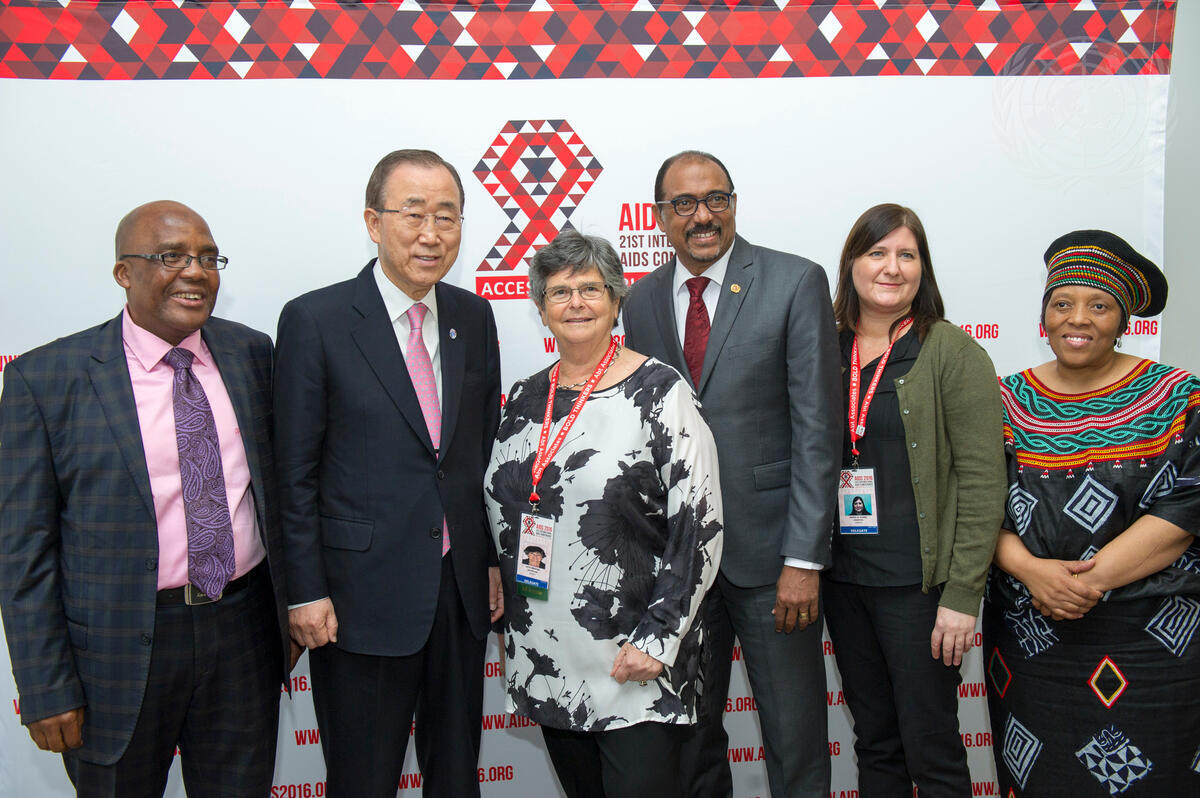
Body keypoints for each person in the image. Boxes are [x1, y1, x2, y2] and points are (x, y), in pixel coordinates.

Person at [0, 201, 291, 796]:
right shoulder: (46, 379)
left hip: (243, 632)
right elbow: (23, 551)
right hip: (114, 650)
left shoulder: (253, 354)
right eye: (171, 257)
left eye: (208, 258)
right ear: (123, 273)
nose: (195, 271)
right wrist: (45, 684)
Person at [274, 149, 503, 797]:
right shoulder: (316, 320)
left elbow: (479, 455)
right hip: (358, 600)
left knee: (456, 776)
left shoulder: (473, 317)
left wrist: (489, 560)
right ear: (374, 222)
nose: (431, 234)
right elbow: (294, 471)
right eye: (413, 214)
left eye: (447, 217)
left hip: (458, 595)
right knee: (363, 780)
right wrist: (304, 591)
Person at [622, 150, 841, 797]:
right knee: (690, 742)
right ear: (660, 216)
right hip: (679, 566)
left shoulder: (794, 281)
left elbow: (818, 431)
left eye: (716, 199)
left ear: (734, 204)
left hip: (772, 561)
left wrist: (803, 559)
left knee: (795, 740)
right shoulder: (642, 300)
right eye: (685, 203)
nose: (703, 216)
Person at [485, 229, 723, 798]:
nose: (576, 303)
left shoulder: (660, 392)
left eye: (591, 289)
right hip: (548, 654)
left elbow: (700, 527)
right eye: (560, 291)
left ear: (617, 302)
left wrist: (658, 638)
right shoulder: (523, 399)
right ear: (541, 307)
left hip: (633, 657)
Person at [984, 230, 1200, 793]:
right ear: (1043, 315)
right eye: (1062, 303)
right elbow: (975, 507)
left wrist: (1084, 583)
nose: (1077, 319)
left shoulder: (1181, 396)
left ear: (1124, 319)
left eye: (1099, 305)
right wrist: (1034, 573)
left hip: (1152, 642)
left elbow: (1186, 509)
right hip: (1034, 641)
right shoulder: (1002, 401)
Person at [824, 203, 1006, 796]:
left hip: (919, 592)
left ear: (922, 268)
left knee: (931, 748)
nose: (892, 267)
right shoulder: (825, 346)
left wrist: (962, 595)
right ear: (852, 263)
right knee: (875, 744)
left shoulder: (949, 350)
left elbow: (983, 482)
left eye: (907, 254)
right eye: (877, 252)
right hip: (843, 583)